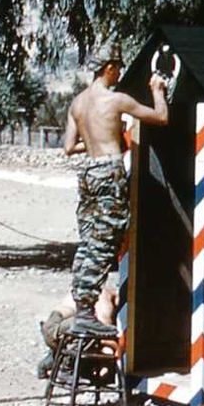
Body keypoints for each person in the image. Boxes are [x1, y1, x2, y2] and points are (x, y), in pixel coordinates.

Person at [62, 45, 168, 336]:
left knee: (88, 242)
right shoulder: (116, 100)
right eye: (118, 67)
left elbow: (70, 147)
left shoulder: (77, 104)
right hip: (109, 171)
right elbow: (160, 118)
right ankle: (85, 314)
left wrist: (102, 136)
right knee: (106, 242)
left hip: (88, 173)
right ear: (108, 67)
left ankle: (81, 305)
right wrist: (158, 89)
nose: (120, 73)